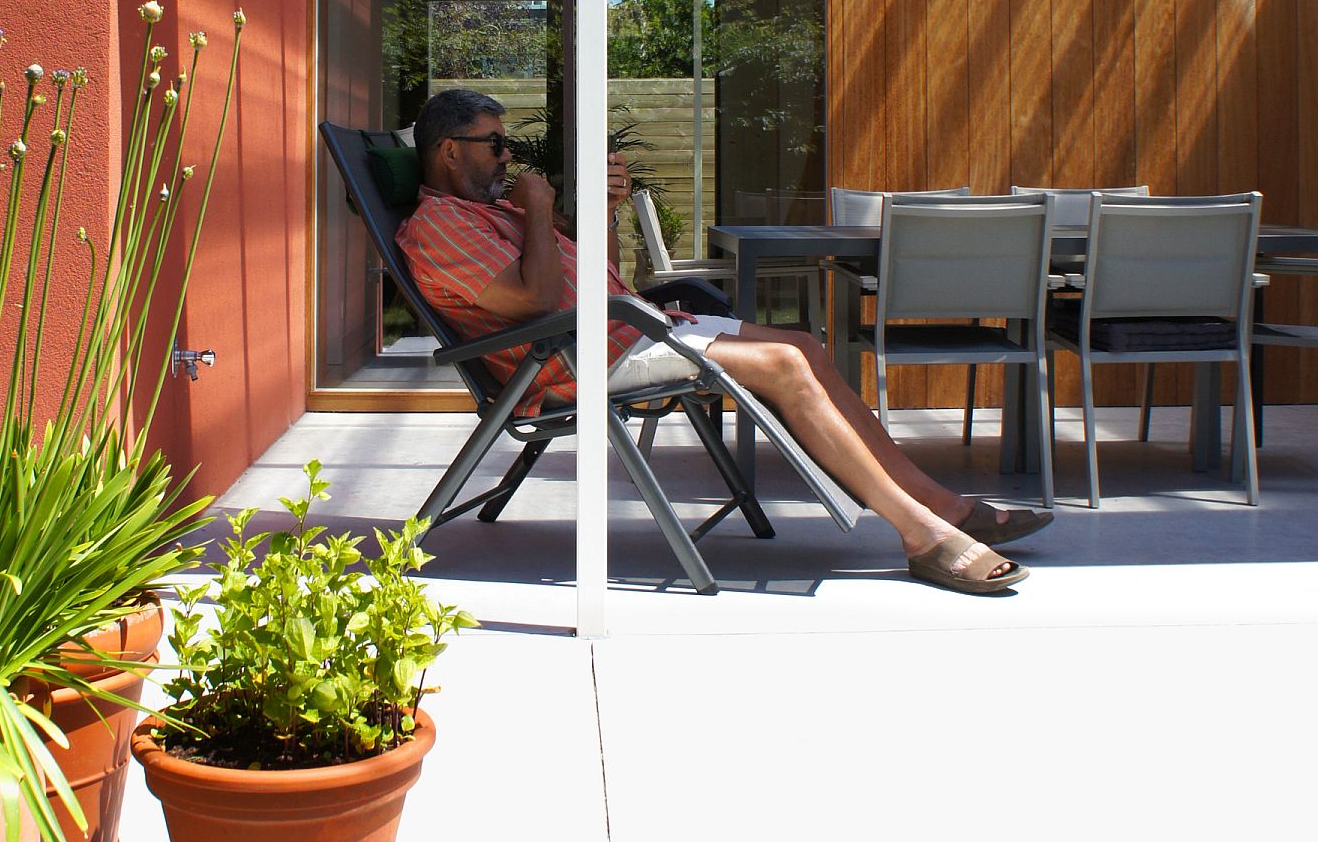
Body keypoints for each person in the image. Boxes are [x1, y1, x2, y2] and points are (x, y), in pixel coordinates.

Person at [396, 89, 1049, 595]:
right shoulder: (437, 227)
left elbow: (602, 276)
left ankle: (946, 506)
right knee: (787, 368)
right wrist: (540, 208)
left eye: (505, 146)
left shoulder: (495, 212)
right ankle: (921, 535)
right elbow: (538, 302)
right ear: (449, 150)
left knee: (805, 347)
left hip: (630, 329)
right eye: (494, 145)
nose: (508, 158)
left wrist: (600, 212)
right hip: (579, 360)